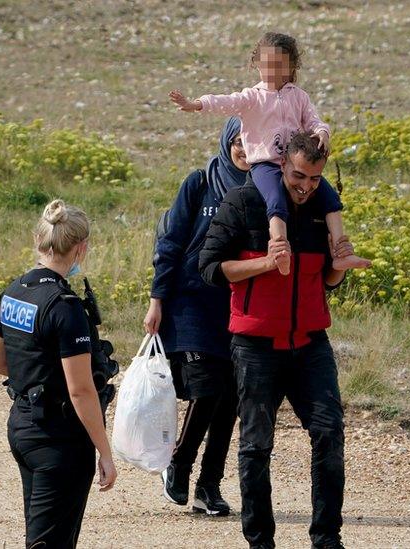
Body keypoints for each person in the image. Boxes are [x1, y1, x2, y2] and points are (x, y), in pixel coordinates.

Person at [199, 132, 353, 549]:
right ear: (281, 164)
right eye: (299, 176)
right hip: (255, 347)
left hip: (310, 344)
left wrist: (340, 266)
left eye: (315, 179)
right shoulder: (244, 203)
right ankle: (260, 542)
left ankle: (326, 539)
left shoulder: (323, 207)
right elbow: (209, 267)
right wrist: (267, 263)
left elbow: (328, 281)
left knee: (329, 433)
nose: (306, 186)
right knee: (255, 445)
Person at [169, 31, 370, 276]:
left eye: (279, 65)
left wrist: (323, 133)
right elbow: (225, 102)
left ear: (291, 66)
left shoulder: (299, 97)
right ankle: (280, 251)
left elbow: (315, 122)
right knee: (275, 200)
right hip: (265, 165)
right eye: (266, 65)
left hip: (294, 164)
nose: (272, 71)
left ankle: (342, 254)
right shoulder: (252, 97)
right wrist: (196, 104)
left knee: (330, 199)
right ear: (256, 64)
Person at [0, 199, 117, 548]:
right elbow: (81, 391)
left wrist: (36, 376)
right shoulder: (64, 306)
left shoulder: (13, 292)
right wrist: (104, 451)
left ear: (38, 240)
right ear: (81, 248)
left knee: (39, 536)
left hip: (23, 427)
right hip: (59, 441)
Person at [143, 117, 249, 516]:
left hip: (235, 304)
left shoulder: (265, 188)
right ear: (225, 141)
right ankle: (179, 463)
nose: (242, 149)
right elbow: (170, 241)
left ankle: (209, 487)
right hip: (189, 303)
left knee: (230, 399)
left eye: (249, 141)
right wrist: (157, 298)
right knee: (208, 388)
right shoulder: (200, 182)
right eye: (236, 141)